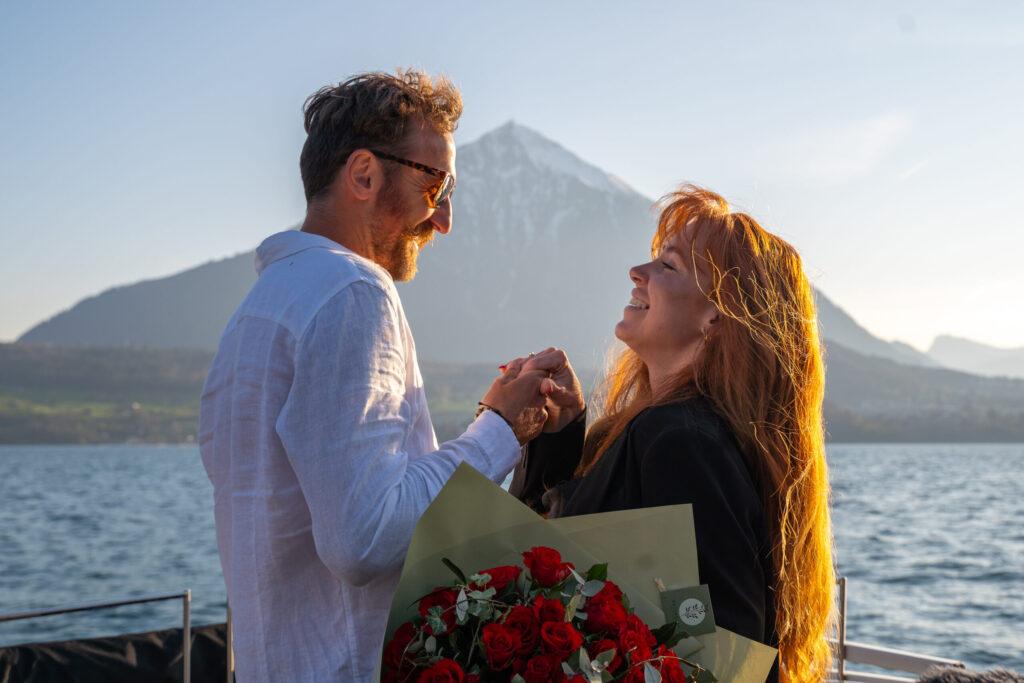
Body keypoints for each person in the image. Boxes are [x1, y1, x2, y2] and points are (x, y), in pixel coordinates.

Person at [198, 71, 553, 683]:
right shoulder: (353, 292)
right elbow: (363, 536)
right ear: (363, 174)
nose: (441, 218)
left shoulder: (258, 312)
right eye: (434, 182)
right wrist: (499, 430)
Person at [508, 185, 836, 683]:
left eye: (669, 266)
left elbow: (721, 651)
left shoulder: (682, 441)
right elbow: (547, 562)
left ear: (717, 317)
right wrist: (559, 436)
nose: (637, 274)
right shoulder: (650, 433)